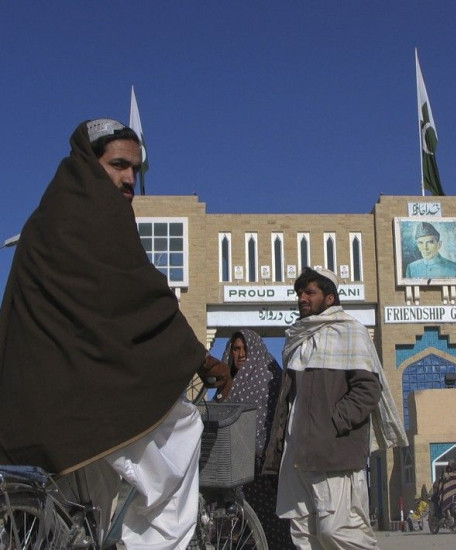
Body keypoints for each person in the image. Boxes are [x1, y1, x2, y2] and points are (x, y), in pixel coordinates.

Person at [0, 119, 230, 548]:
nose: (129, 180)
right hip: (85, 395)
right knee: (183, 429)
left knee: (91, 502)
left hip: (37, 400)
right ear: (90, 162)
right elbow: (140, 297)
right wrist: (200, 358)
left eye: (135, 171)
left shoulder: (47, 217)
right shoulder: (95, 212)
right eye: (119, 165)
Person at [262, 267, 407, 549]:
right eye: (299, 293)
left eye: (309, 292)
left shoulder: (350, 331)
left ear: (329, 298)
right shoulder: (297, 338)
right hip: (296, 450)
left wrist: (333, 423)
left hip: (332, 450)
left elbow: (367, 390)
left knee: (336, 530)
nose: (302, 298)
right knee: (305, 534)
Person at [219, 328, 294, 549]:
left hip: (263, 472)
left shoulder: (268, 377)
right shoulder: (227, 382)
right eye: (236, 349)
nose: (241, 355)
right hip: (233, 473)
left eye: (245, 349)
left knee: (270, 527)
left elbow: (276, 420)